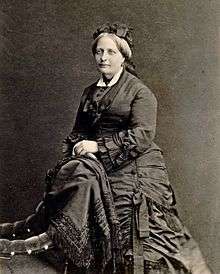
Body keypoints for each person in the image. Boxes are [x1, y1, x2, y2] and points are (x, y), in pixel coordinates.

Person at [0, 23, 212, 274]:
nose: (104, 58)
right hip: (97, 160)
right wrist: (82, 147)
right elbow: (79, 131)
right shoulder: (89, 92)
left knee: (123, 225)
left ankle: (49, 241)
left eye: (111, 52)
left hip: (135, 166)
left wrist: (98, 147)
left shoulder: (139, 92)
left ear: (123, 56)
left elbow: (142, 135)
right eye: (99, 52)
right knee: (75, 174)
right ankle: (40, 232)